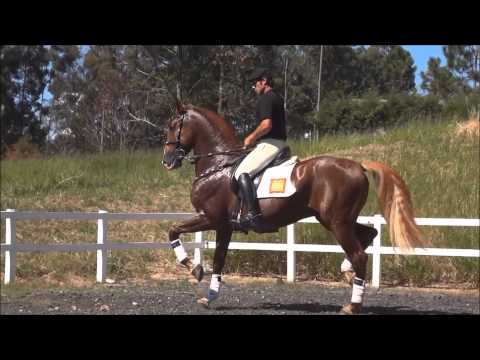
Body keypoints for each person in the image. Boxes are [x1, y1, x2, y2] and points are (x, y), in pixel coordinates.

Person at [233, 67, 288, 230]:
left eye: (254, 84)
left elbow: (266, 124)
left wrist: (250, 138)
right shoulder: (277, 97)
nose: (253, 87)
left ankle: (253, 215)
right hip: (279, 143)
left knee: (241, 173)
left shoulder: (266, 98)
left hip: (270, 144)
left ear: (263, 82)